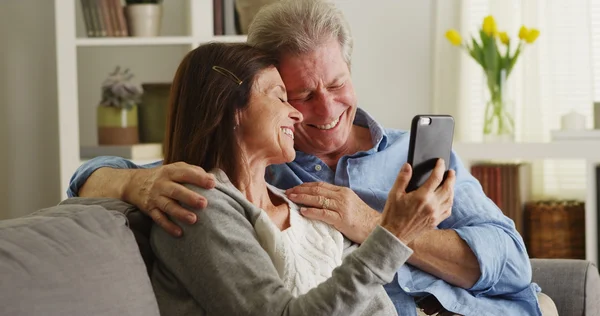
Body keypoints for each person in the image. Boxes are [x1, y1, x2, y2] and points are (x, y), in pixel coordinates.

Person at [69, 1, 554, 315]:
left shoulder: (412, 153)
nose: (325, 110)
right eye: (298, 95)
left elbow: (513, 264)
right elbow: (91, 176)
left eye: (338, 84)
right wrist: (132, 185)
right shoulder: (263, 169)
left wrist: (369, 223)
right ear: (258, 95)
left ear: (350, 70)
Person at [149, 41, 454, 316]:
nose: (296, 114)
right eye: (281, 97)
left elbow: (376, 309)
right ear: (230, 109)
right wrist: (393, 234)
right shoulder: (196, 204)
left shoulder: (307, 207)